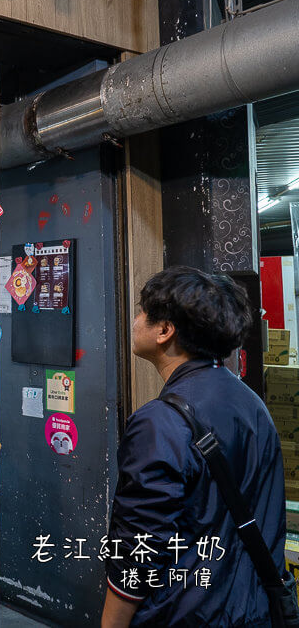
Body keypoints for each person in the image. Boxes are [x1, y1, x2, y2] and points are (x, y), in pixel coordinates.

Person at [102, 266, 285, 627]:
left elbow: (139, 548)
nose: (135, 321)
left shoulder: (160, 420)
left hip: (186, 614)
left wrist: (111, 623)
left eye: (142, 312)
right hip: (255, 610)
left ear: (165, 331)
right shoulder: (252, 404)